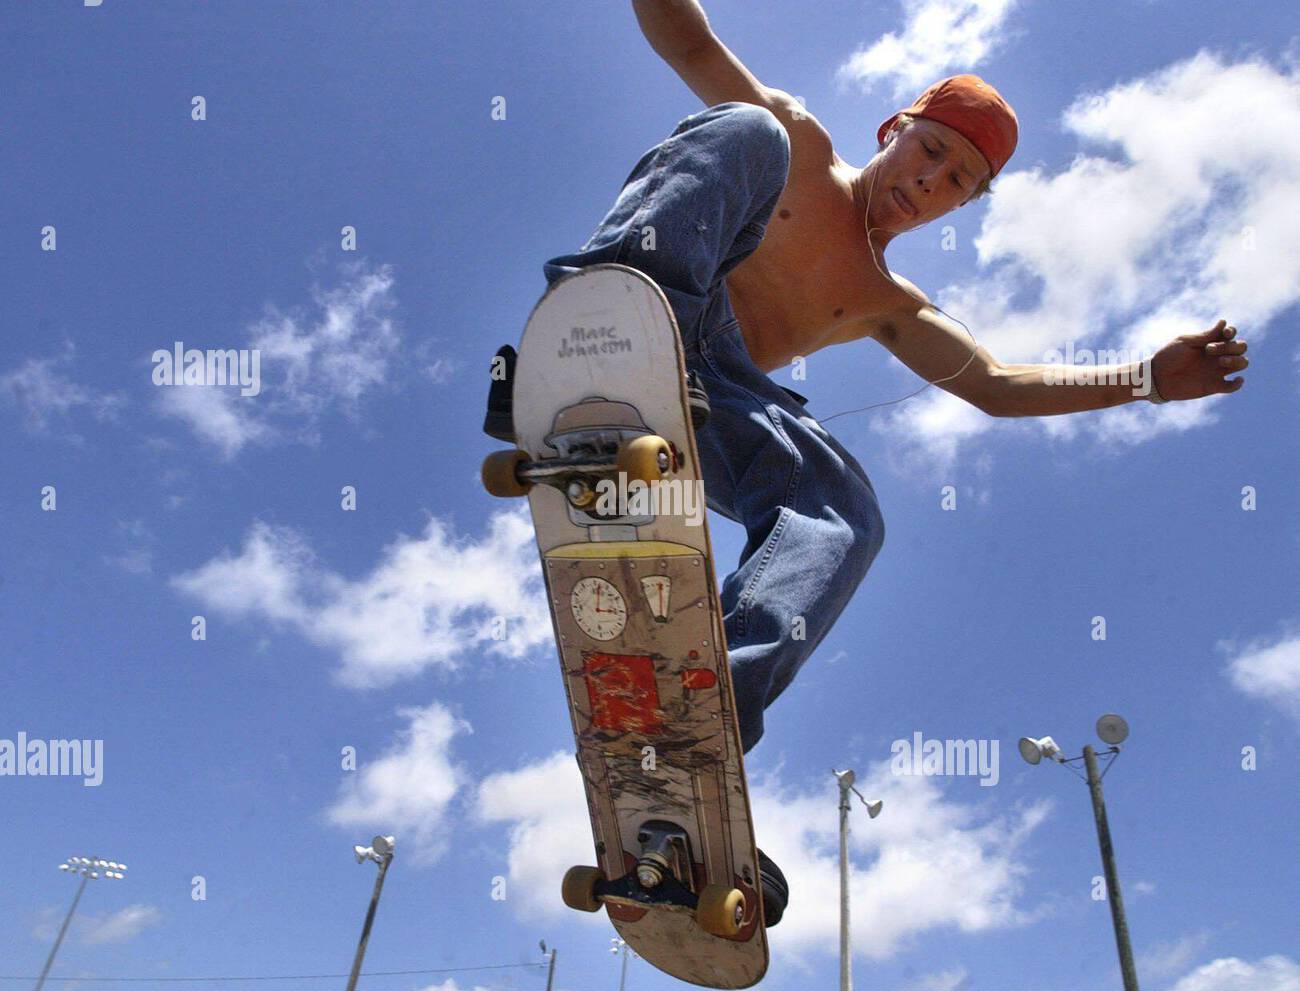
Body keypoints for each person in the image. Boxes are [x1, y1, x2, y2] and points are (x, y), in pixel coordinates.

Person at [484, 1, 1249, 927]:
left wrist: (1145, 380)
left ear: (965, 205)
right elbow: (684, 40)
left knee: (846, 506)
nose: (930, 183)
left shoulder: (889, 301)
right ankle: (600, 317)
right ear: (897, 130)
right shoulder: (802, 151)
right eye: (929, 152)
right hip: (655, 324)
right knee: (752, 127)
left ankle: (698, 719)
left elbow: (998, 384)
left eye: (957, 181)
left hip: (707, 410)